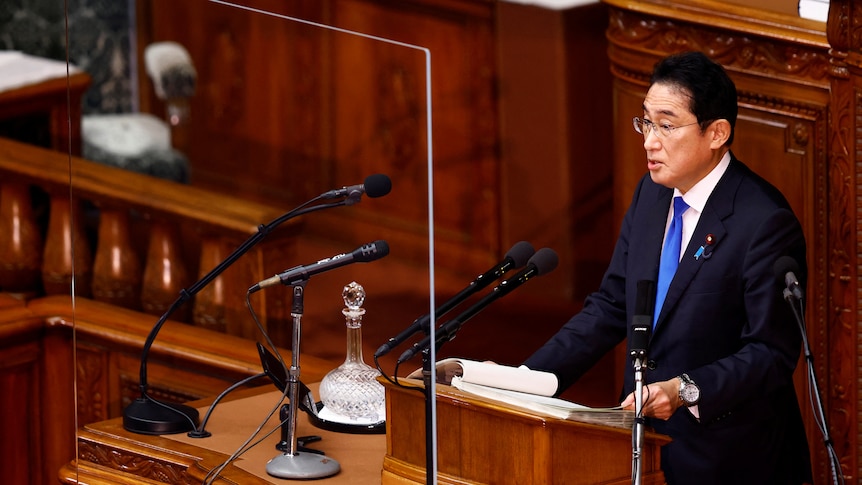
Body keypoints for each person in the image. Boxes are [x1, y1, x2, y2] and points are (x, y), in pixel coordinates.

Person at [523, 51, 812, 484]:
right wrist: (526, 381)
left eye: (666, 124)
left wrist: (684, 389)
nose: (649, 141)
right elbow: (611, 305)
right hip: (643, 446)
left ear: (717, 133)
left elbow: (770, 354)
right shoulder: (653, 193)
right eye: (646, 122)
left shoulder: (763, 221)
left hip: (727, 457)